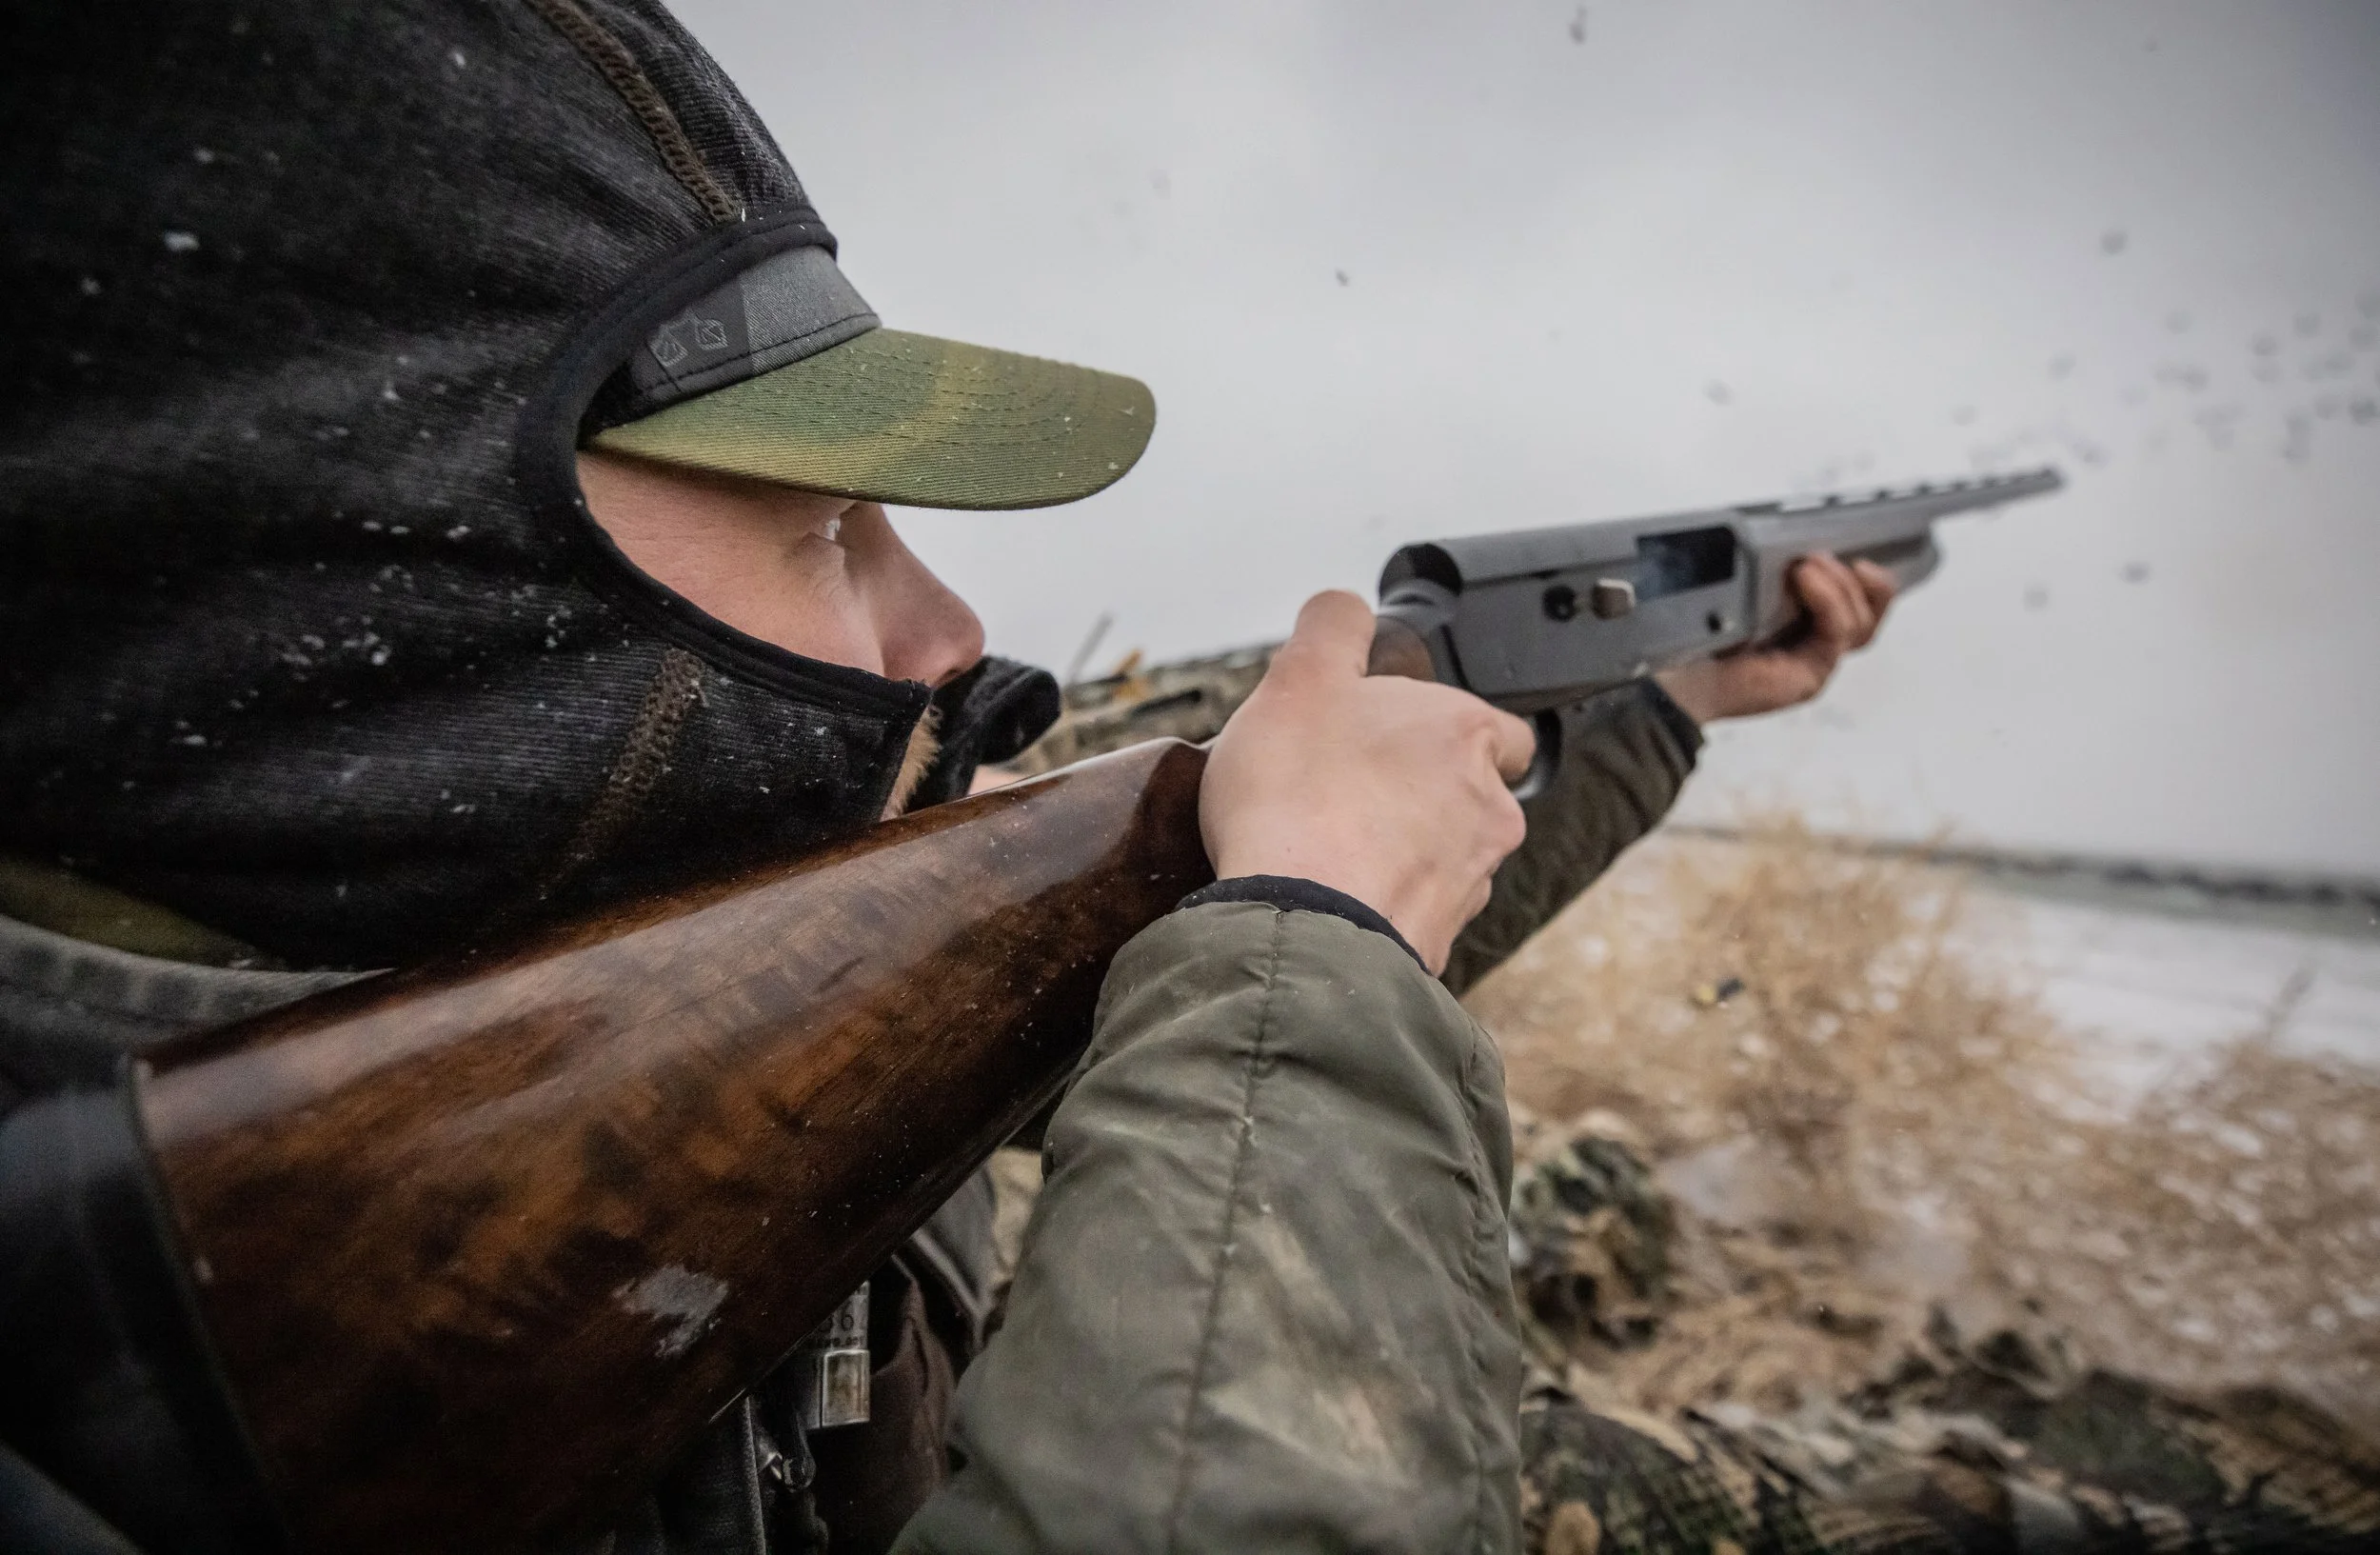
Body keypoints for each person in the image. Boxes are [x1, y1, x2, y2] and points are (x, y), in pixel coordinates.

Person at [0, 3, 1888, 1552]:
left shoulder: (552, 949)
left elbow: (1158, 807)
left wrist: (1648, 698)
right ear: (374, 582)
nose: (950, 629)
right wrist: (1310, 946)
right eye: (826, 532)